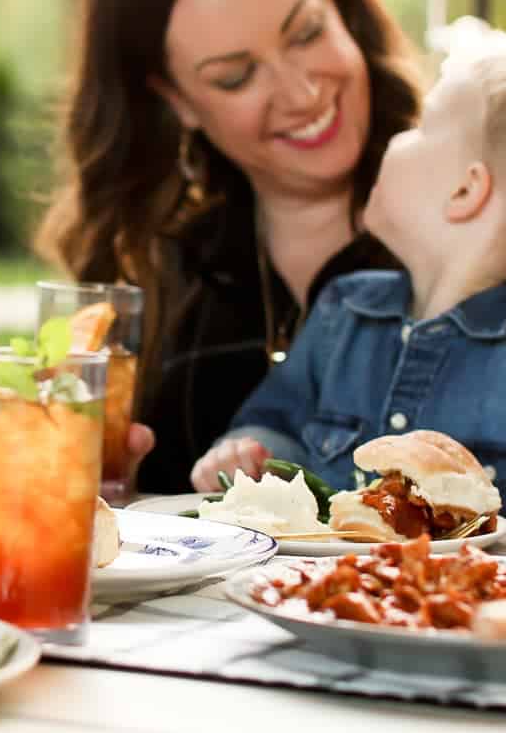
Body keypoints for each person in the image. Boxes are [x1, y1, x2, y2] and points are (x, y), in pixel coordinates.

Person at [36, 0, 421, 493]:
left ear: (343, 7)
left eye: (307, 32)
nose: (300, 93)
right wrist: (110, 491)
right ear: (175, 99)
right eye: (236, 76)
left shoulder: (474, 222)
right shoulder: (151, 278)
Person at [190, 50, 506, 494]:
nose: (397, 137)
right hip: (316, 567)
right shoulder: (344, 309)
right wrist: (250, 451)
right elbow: (275, 423)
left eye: (421, 127)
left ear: (464, 190)